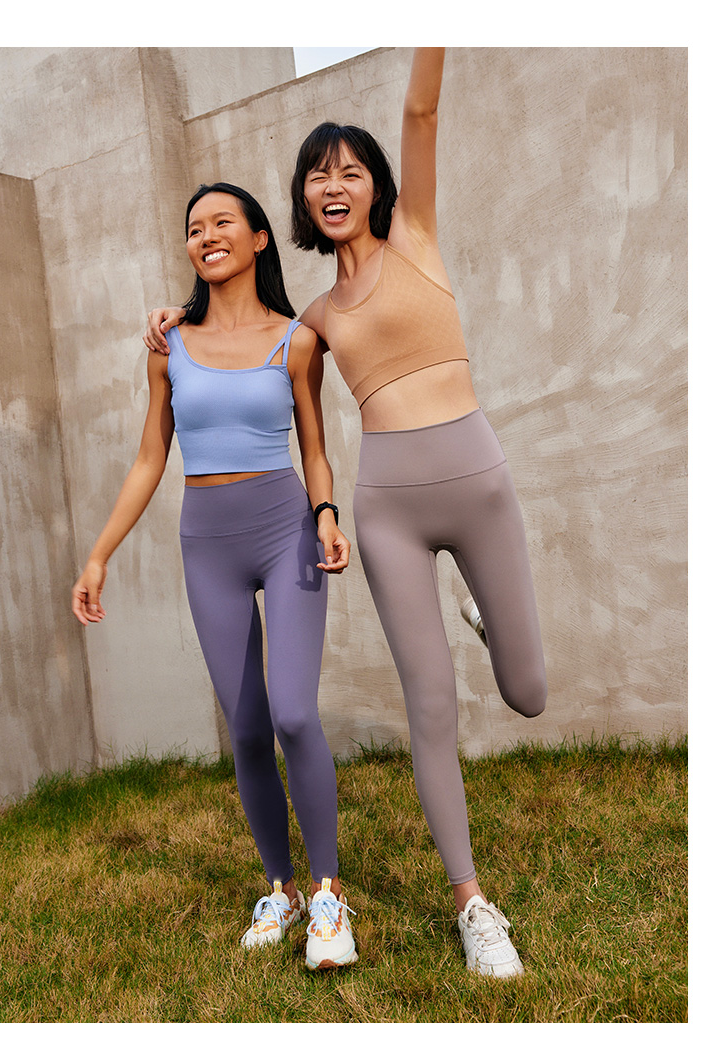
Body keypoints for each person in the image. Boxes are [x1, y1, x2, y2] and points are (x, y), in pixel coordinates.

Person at [144, 50, 547, 979]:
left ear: (377, 187)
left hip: (479, 482)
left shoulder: (418, 237)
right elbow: (246, 345)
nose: (334, 185)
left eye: (350, 170)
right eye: (316, 175)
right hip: (387, 509)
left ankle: (490, 618)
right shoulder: (315, 318)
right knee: (430, 704)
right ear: (301, 202)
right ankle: (471, 902)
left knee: (528, 690)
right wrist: (172, 317)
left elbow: (422, 111)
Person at [73, 182, 358, 971]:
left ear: (259, 237)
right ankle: (282, 887)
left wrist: (327, 514)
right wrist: (99, 554)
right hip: (207, 543)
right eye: (194, 228)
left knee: (293, 711)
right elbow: (149, 457)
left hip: (284, 530)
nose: (206, 236)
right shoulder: (170, 344)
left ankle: (329, 892)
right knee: (247, 726)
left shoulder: (297, 341)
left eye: (221, 222)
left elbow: (315, 447)